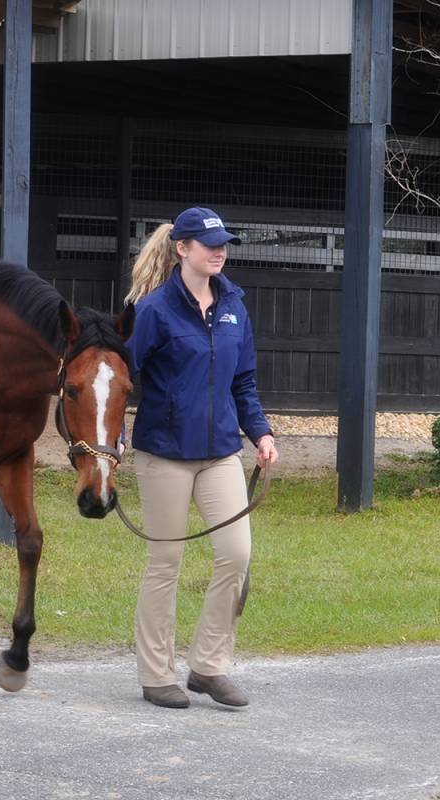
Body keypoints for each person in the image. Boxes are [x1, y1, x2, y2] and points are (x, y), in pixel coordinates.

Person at [124, 207, 278, 709]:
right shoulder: (154, 310)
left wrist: (261, 432)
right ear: (182, 249)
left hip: (219, 454)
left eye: (223, 243)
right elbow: (125, 375)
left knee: (237, 554)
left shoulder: (234, 305)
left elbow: (244, 382)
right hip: (164, 454)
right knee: (165, 561)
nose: (219, 251)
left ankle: (208, 667)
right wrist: (110, 436)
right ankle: (156, 675)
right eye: (209, 243)